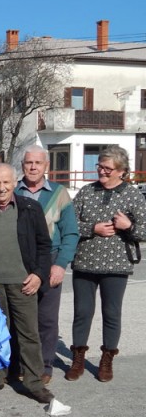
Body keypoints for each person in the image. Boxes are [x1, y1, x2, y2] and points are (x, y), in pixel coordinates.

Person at [0, 164, 54, 404]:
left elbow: (44, 246)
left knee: (28, 334)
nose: (1, 187)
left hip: (23, 283)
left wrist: (38, 274)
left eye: (6, 182)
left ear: (15, 183)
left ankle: (34, 382)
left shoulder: (30, 208)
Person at [68, 145, 146, 382]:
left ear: (121, 171)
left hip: (117, 265)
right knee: (82, 313)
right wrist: (92, 228)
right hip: (85, 263)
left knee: (111, 313)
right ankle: (78, 359)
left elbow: (144, 230)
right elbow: (69, 223)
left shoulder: (133, 195)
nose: (101, 171)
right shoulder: (86, 192)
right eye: (99, 166)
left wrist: (128, 227)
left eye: (107, 168)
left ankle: (107, 359)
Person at [15, 145, 79, 384]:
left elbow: (70, 233)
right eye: (29, 163)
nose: (33, 167)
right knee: (20, 317)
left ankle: (44, 366)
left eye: (38, 163)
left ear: (46, 166)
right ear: (23, 165)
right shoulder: (13, 191)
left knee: (46, 318)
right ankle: (22, 364)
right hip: (19, 261)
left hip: (49, 259)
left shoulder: (59, 193)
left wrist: (60, 265)